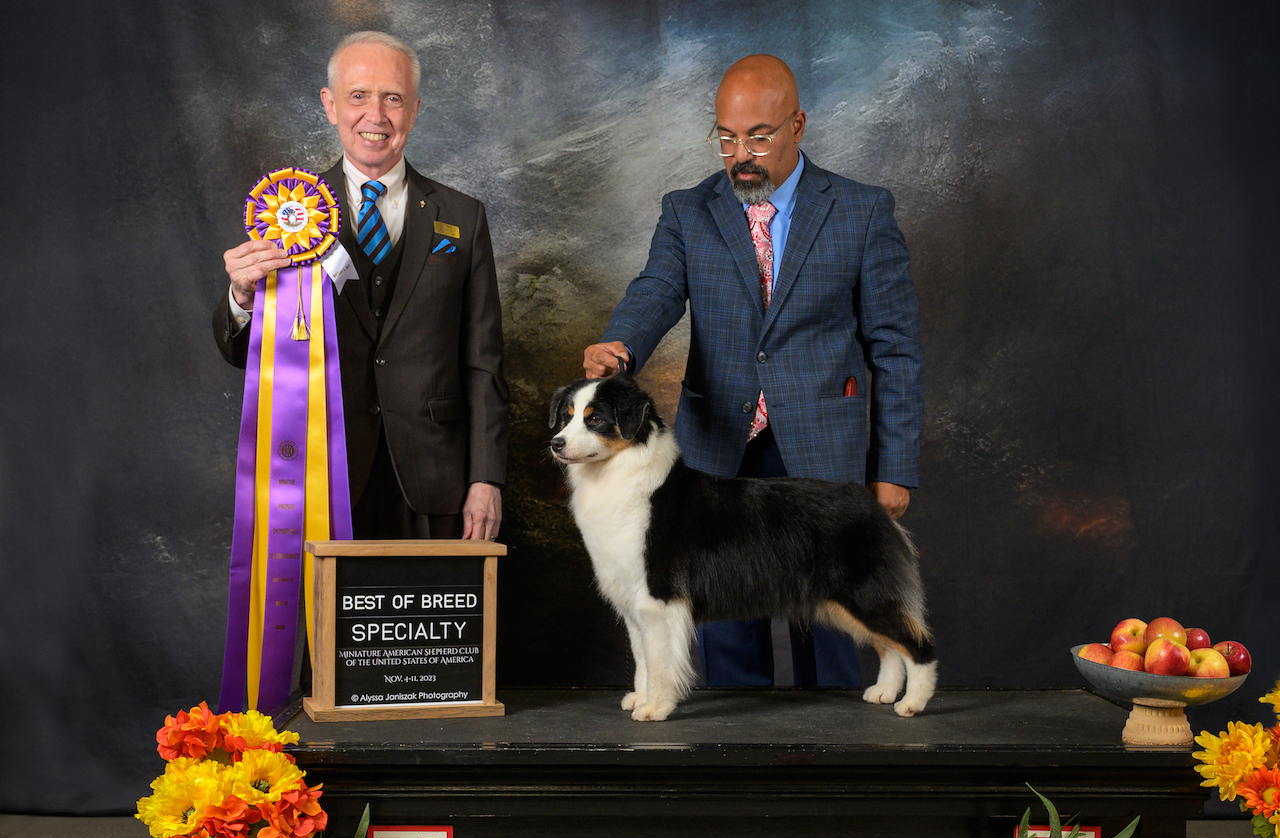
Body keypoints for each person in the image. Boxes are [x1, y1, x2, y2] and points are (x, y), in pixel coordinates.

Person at [583, 54, 923, 690]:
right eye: (726, 137)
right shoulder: (688, 210)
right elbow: (657, 288)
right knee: (725, 633)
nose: (741, 154)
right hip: (717, 454)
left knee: (835, 630)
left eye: (759, 137)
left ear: (797, 124)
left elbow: (896, 349)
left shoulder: (862, 211)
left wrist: (894, 467)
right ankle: (738, 746)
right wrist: (620, 345)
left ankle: (834, 743)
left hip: (822, 455)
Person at [214, 31, 508, 540]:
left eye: (393, 98)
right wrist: (242, 298)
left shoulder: (465, 217)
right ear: (330, 106)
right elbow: (244, 354)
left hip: (437, 483)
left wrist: (487, 478)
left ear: (414, 109)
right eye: (358, 96)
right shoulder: (286, 212)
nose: (376, 115)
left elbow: (484, 364)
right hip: (319, 476)